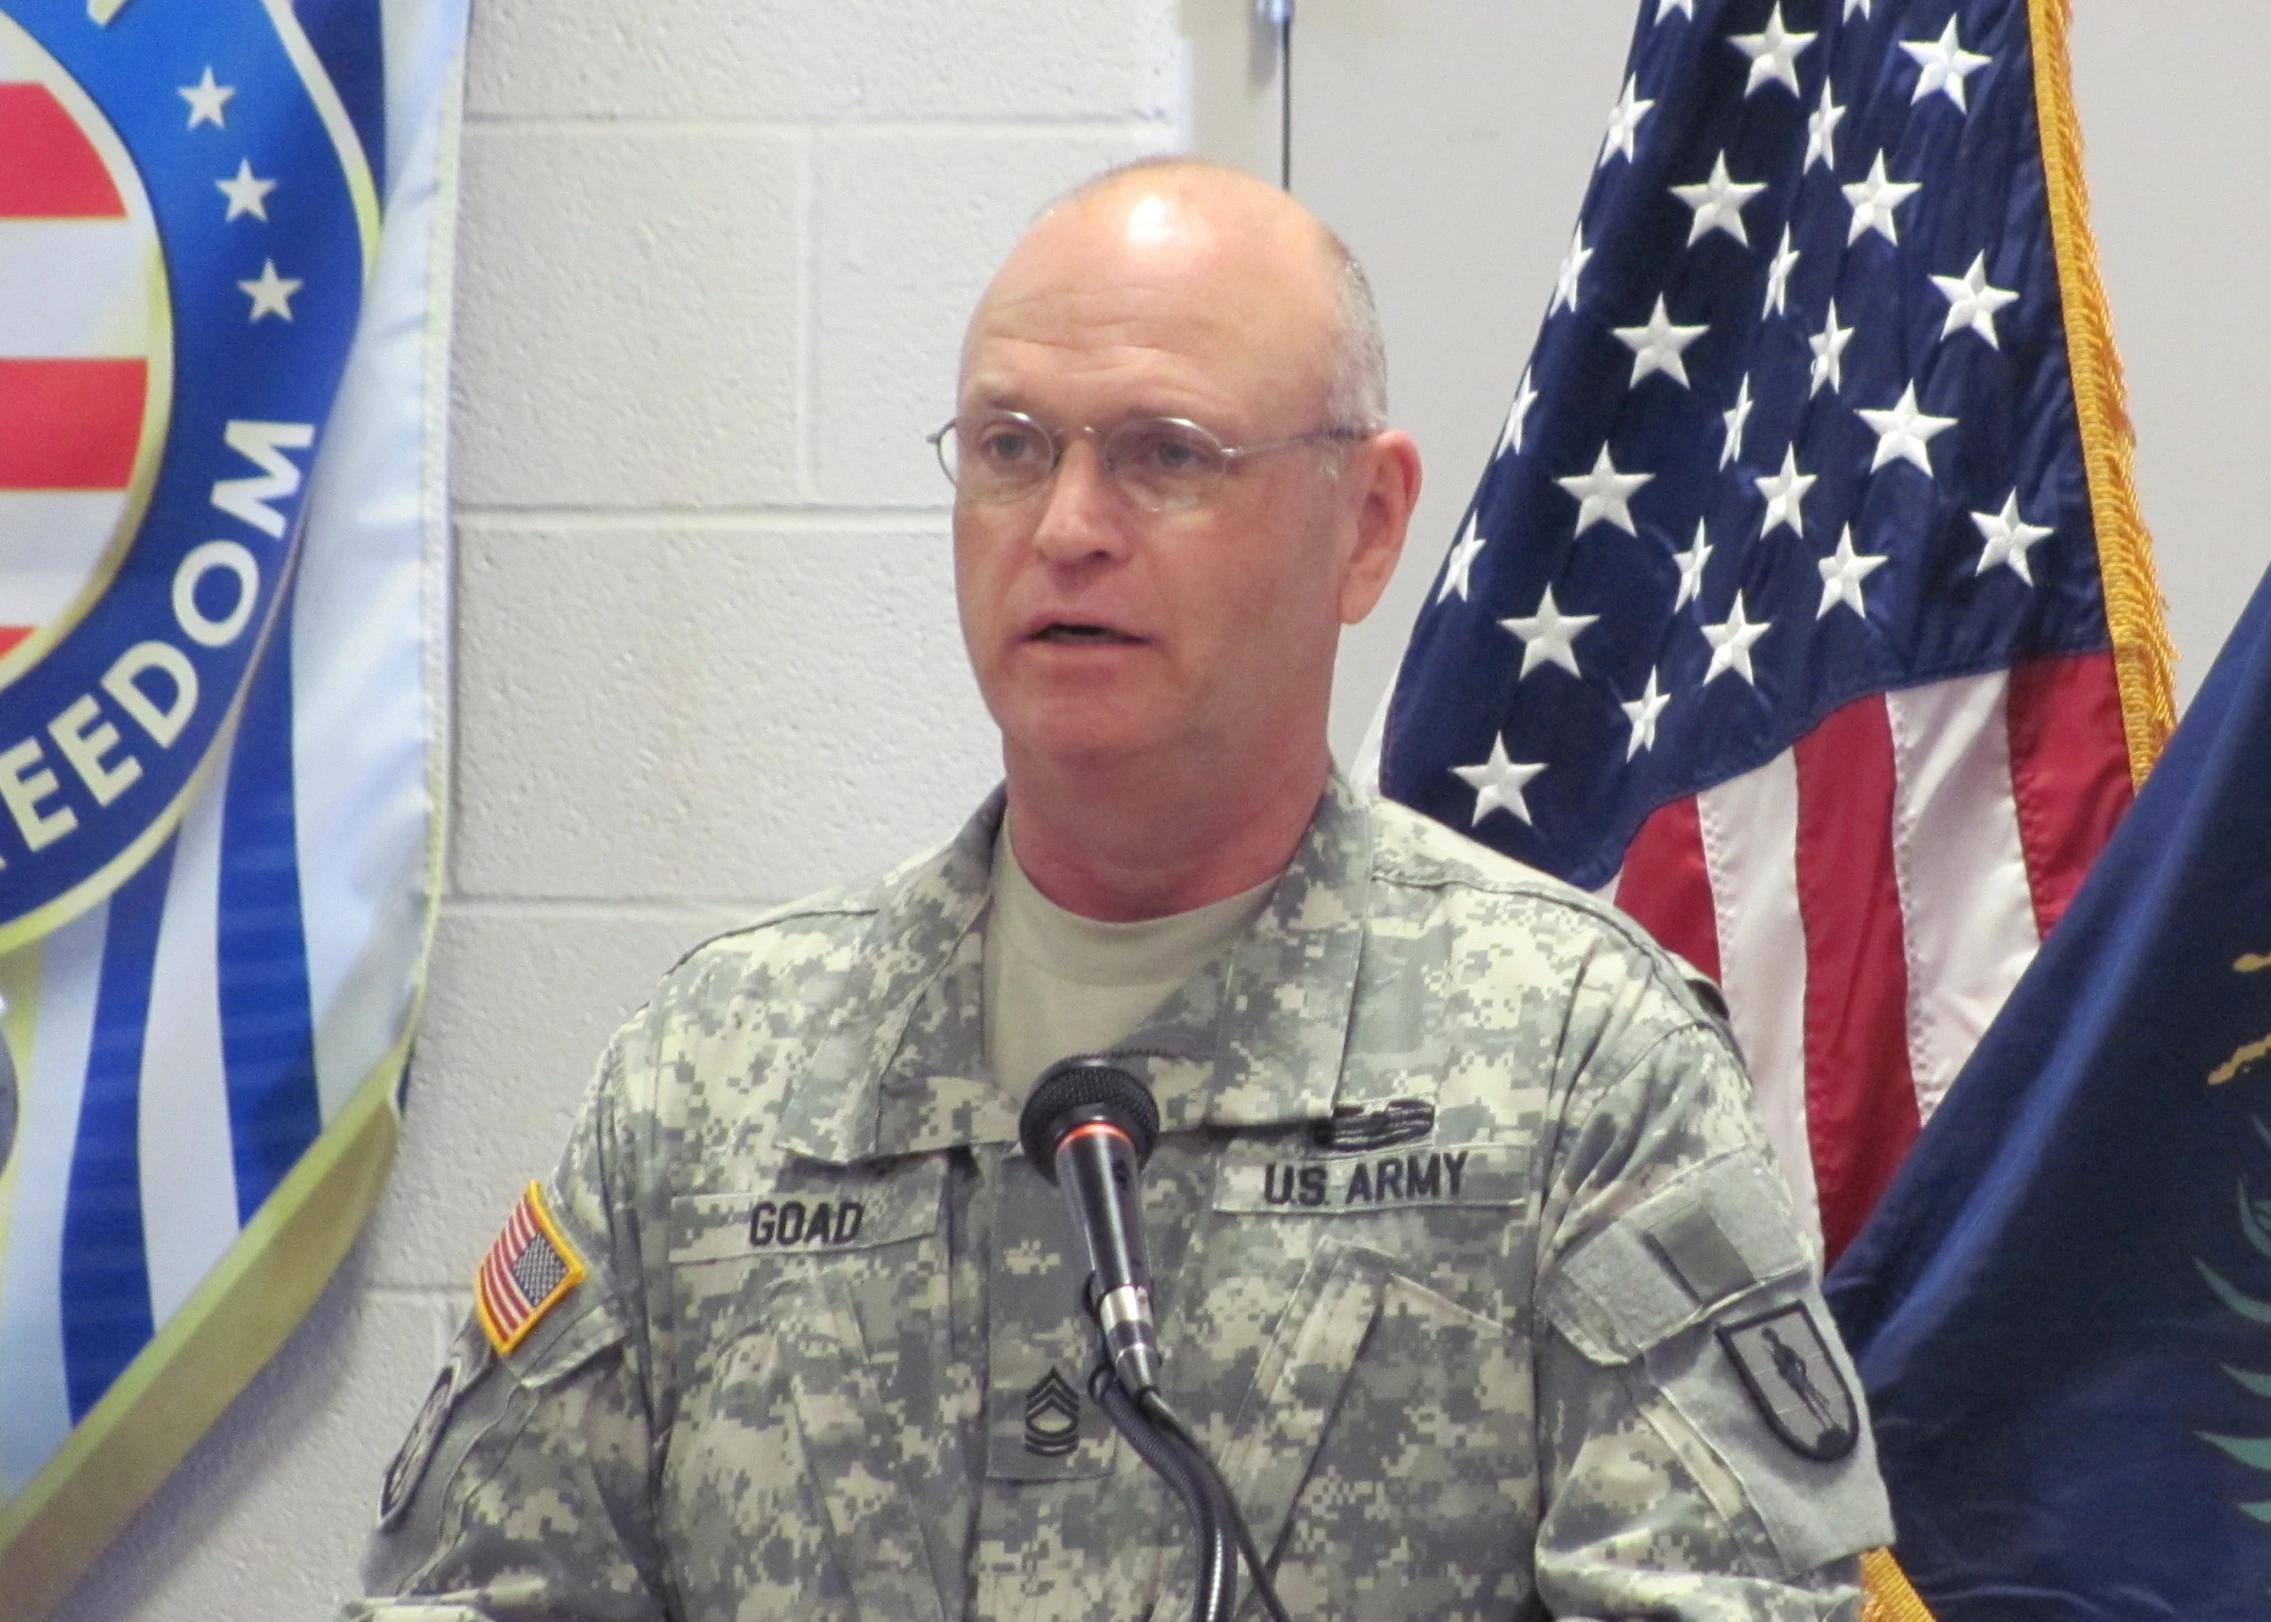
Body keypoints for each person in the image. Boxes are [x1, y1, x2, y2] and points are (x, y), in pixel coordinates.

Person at [345, 157, 1892, 1621]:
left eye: (1166, 455)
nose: (1069, 527)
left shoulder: (1572, 1061)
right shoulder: (721, 1068)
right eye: (1011, 448)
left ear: (1365, 525)